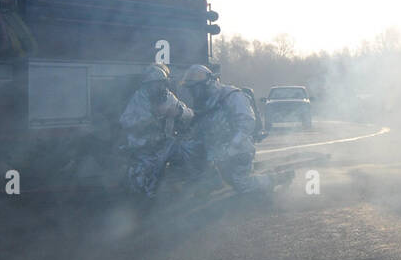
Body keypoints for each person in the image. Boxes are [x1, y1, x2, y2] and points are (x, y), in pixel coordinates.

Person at [179, 65, 288, 195]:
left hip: (237, 149)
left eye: (194, 88)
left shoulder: (231, 96)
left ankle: (276, 178)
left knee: (242, 184)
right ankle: (210, 180)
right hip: (216, 151)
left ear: (206, 84)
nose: (191, 93)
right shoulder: (202, 102)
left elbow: (247, 122)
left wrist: (233, 146)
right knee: (188, 147)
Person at [118, 63, 194, 199]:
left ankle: (187, 184)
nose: (158, 87)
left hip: (166, 144)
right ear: (147, 85)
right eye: (153, 84)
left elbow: (190, 113)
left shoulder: (169, 97)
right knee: (142, 187)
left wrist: (178, 112)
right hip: (144, 148)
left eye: (161, 83)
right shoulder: (139, 98)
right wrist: (147, 120)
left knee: (190, 150)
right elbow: (125, 121)